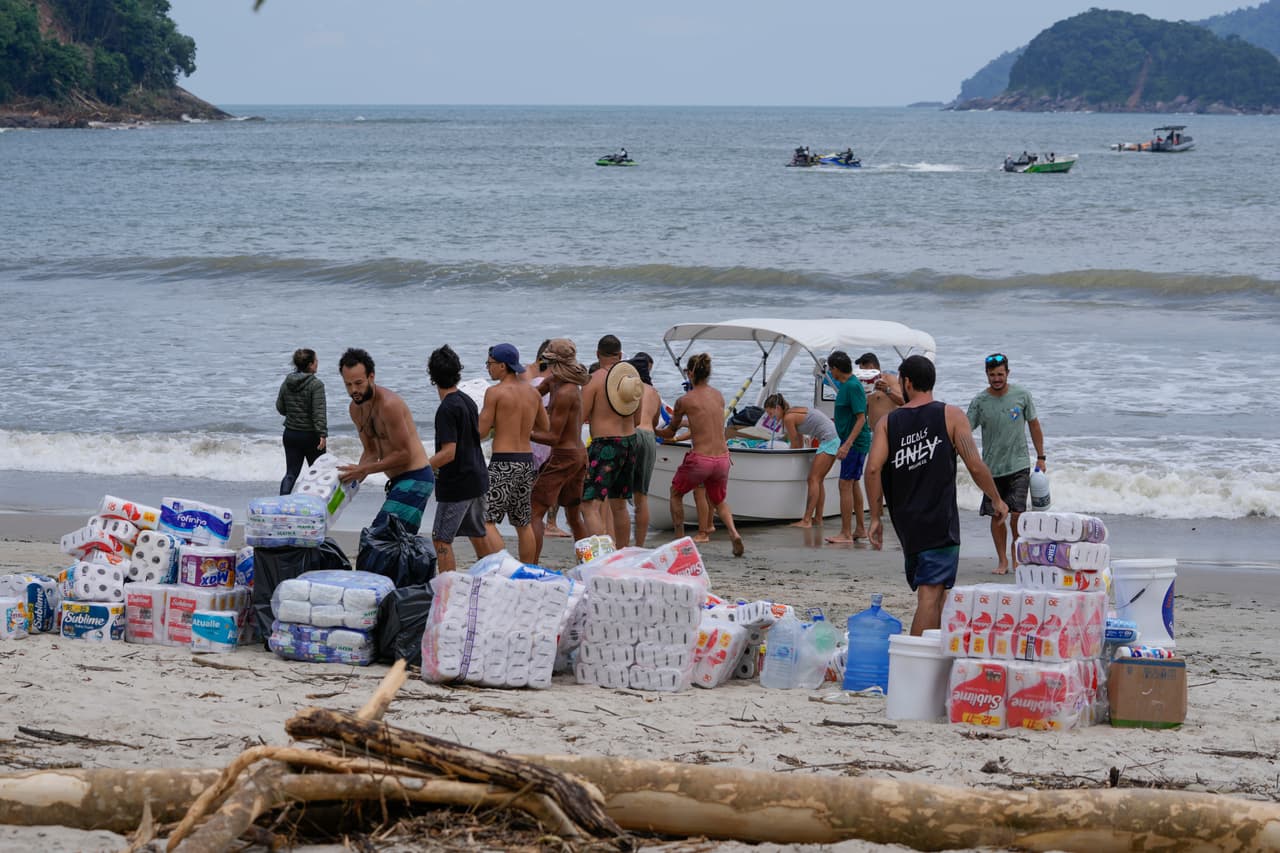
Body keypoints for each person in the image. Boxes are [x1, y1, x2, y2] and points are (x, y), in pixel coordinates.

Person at [865, 355, 1008, 635]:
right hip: (938, 520)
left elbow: (872, 470)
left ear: (907, 382)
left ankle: (933, 659)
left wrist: (875, 518)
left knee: (938, 592)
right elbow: (975, 465)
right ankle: (914, 662)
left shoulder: (888, 422)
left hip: (906, 522)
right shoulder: (951, 415)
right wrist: (996, 498)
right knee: (930, 595)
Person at [336, 348, 433, 534]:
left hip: (417, 477)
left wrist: (364, 470)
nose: (353, 390)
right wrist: (352, 481)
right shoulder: (355, 409)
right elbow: (371, 451)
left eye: (358, 383)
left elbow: (404, 455)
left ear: (371, 377)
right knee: (397, 545)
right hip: (397, 481)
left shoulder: (389, 405)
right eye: (348, 384)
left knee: (379, 536)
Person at [656, 353, 744, 557]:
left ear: (690, 373)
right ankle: (734, 532)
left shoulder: (684, 400)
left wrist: (653, 431)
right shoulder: (719, 396)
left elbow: (670, 431)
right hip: (722, 459)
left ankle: (679, 540)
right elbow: (705, 422)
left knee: (675, 493)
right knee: (719, 501)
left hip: (700, 460)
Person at [967, 352, 1046, 575]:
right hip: (991, 469)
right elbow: (964, 431)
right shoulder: (980, 402)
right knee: (997, 515)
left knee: (1017, 515)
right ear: (987, 375)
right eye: (992, 375)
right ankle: (1002, 561)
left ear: (1008, 373)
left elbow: (1034, 426)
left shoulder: (1022, 395)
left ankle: (1017, 559)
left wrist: (1041, 457)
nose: (996, 379)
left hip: (1019, 464)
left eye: (1000, 374)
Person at [478, 342, 549, 564]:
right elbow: (544, 427)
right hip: (526, 461)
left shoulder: (495, 392)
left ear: (502, 366)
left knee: (485, 519)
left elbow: (480, 432)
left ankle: (503, 566)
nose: (488, 368)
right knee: (522, 522)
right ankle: (528, 568)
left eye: (490, 364)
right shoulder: (532, 393)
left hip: (503, 462)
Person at [426, 345, 493, 572]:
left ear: (432, 377)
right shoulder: (467, 401)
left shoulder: (446, 409)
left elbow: (448, 453)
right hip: (477, 477)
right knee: (478, 534)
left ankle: (448, 591)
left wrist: (422, 467)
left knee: (441, 540)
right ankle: (489, 579)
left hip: (458, 485)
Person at [529, 338, 592, 562]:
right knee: (574, 516)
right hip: (577, 455)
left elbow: (553, 437)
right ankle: (588, 564)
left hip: (564, 456)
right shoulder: (555, 381)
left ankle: (531, 564)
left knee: (534, 511)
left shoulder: (567, 391)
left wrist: (524, 432)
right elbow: (534, 396)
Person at [580, 334, 643, 547]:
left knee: (589, 504)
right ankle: (623, 553)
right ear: (620, 355)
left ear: (597, 354)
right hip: (630, 442)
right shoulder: (632, 382)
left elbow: (580, 417)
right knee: (619, 504)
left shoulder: (594, 380)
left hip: (605, 444)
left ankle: (602, 555)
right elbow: (638, 419)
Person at [761, 393, 838, 528]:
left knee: (813, 479)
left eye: (770, 413)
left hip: (829, 440)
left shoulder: (788, 418)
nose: (770, 417)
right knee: (818, 480)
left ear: (778, 408)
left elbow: (795, 444)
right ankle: (818, 518)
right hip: (833, 438)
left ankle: (807, 520)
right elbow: (800, 440)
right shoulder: (794, 411)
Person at [824, 350, 871, 544]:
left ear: (835, 368)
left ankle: (845, 533)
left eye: (830, 368)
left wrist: (847, 444)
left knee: (844, 484)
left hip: (855, 442)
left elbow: (861, 418)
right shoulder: (846, 385)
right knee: (852, 484)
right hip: (852, 440)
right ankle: (859, 529)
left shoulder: (852, 386)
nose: (830, 372)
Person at [275, 347, 327, 495]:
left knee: (291, 474)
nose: (317, 363)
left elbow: (280, 407)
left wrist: (292, 413)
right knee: (318, 476)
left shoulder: (287, 381)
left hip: (290, 434)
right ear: (310, 365)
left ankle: (281, 506)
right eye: (316, 361)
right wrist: (322, 434)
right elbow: (319, 413)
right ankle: (316, 509)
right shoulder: (316, 384)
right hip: (311, 436)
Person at [629, 352, 662, 547]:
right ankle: (639, 546)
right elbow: (655, 422)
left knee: (617, 495)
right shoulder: (654, 392)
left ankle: (619, 543)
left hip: (631, 434)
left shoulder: (629, 387)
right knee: (641, 496)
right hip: (649, 436)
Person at [855, 352, 903, 431]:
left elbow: (903, 401)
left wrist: (887, 390)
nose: (861, 373)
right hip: (872, 431)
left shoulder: (889, 379)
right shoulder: (866, 385)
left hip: (889, 431)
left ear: (870, 367)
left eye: (862, 370)